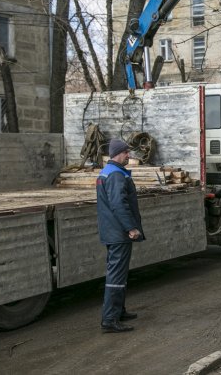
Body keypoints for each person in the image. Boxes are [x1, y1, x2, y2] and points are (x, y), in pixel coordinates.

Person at [96, 138, 145, 333]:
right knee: (116, 276)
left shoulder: (107, 172)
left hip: (112, 231)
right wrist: (130, 228)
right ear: (119, 153)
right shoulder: (116, 174)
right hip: (119, 232)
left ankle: (119, 311)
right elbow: (119, 204)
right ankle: (110, 320)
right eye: (127, 153)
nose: (129, 156)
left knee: (119, 273)